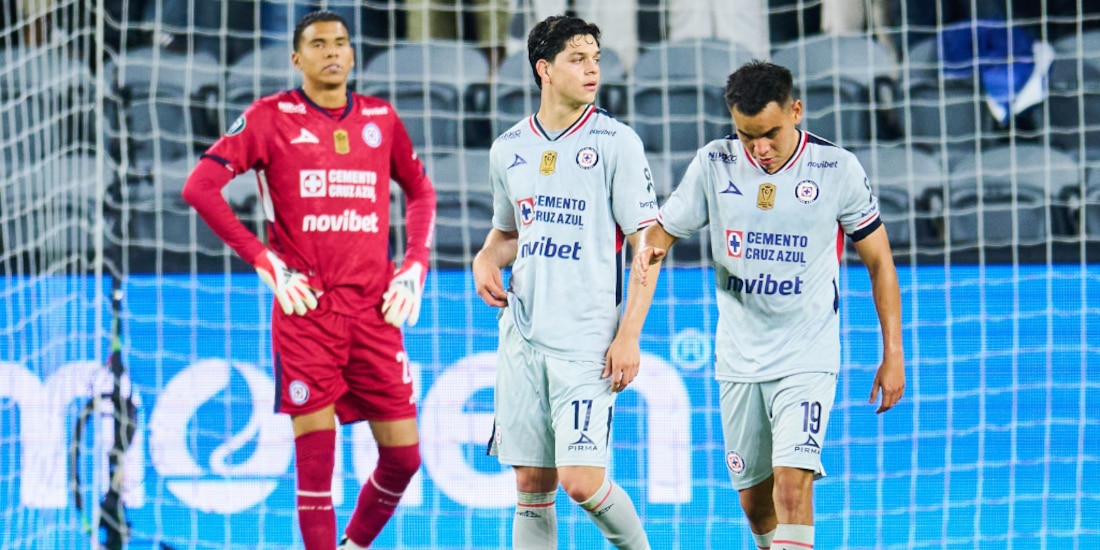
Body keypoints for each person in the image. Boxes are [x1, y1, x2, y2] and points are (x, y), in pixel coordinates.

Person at [607, 61, 906, 550]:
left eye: (769, 134)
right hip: (739, 359)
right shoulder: (714, 163)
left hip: (807, 355)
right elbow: (657, 237)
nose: (759, 149)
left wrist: (893, 352)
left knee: (793, 483)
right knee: (755, 503)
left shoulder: (836, 169)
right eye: (748, 137)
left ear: (796, 111)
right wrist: (642, 276)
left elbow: (881, 264)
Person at [181, 10, 436, 550]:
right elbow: (200, 188)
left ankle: (354, 545)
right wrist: (263, 260)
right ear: (297, 58)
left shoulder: (381, 119)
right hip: (306, 315)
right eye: (318, 44)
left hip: (374, 312)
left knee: (405, 457)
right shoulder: (269, 118)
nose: (333, 52)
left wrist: (414, 264)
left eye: (341, 43)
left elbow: (422, 192)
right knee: (316, 470)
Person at [473, 14, 656, 550]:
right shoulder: (508, 148)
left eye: (596, 58)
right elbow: (509, 233)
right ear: (544, 69)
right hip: (523, 336)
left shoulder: (617, 142)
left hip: (586, 340)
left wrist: (629, 333)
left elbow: (648, 243)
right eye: (578, 58)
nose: (593, 68)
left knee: (581, 481)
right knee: (531, 484)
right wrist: (486, 256)